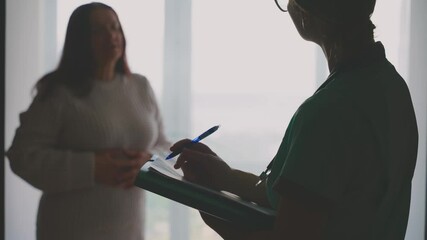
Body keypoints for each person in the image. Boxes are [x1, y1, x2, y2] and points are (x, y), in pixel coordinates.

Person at [171, 0, 418, 239]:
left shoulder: (327, 112)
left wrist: (207, 207)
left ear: (305, 14)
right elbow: (309, 199)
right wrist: (226, 177)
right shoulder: (391, 87)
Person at [6, 2, 169, 240]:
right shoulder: (58, 92)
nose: (111, 36)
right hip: (69, 229)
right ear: (80, 40)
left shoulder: (140, 87)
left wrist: (148, 161)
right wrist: (91, 167)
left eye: (115, 27)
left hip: (129, 228)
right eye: (98, 31)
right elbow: (22, 156)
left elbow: (164, 145)